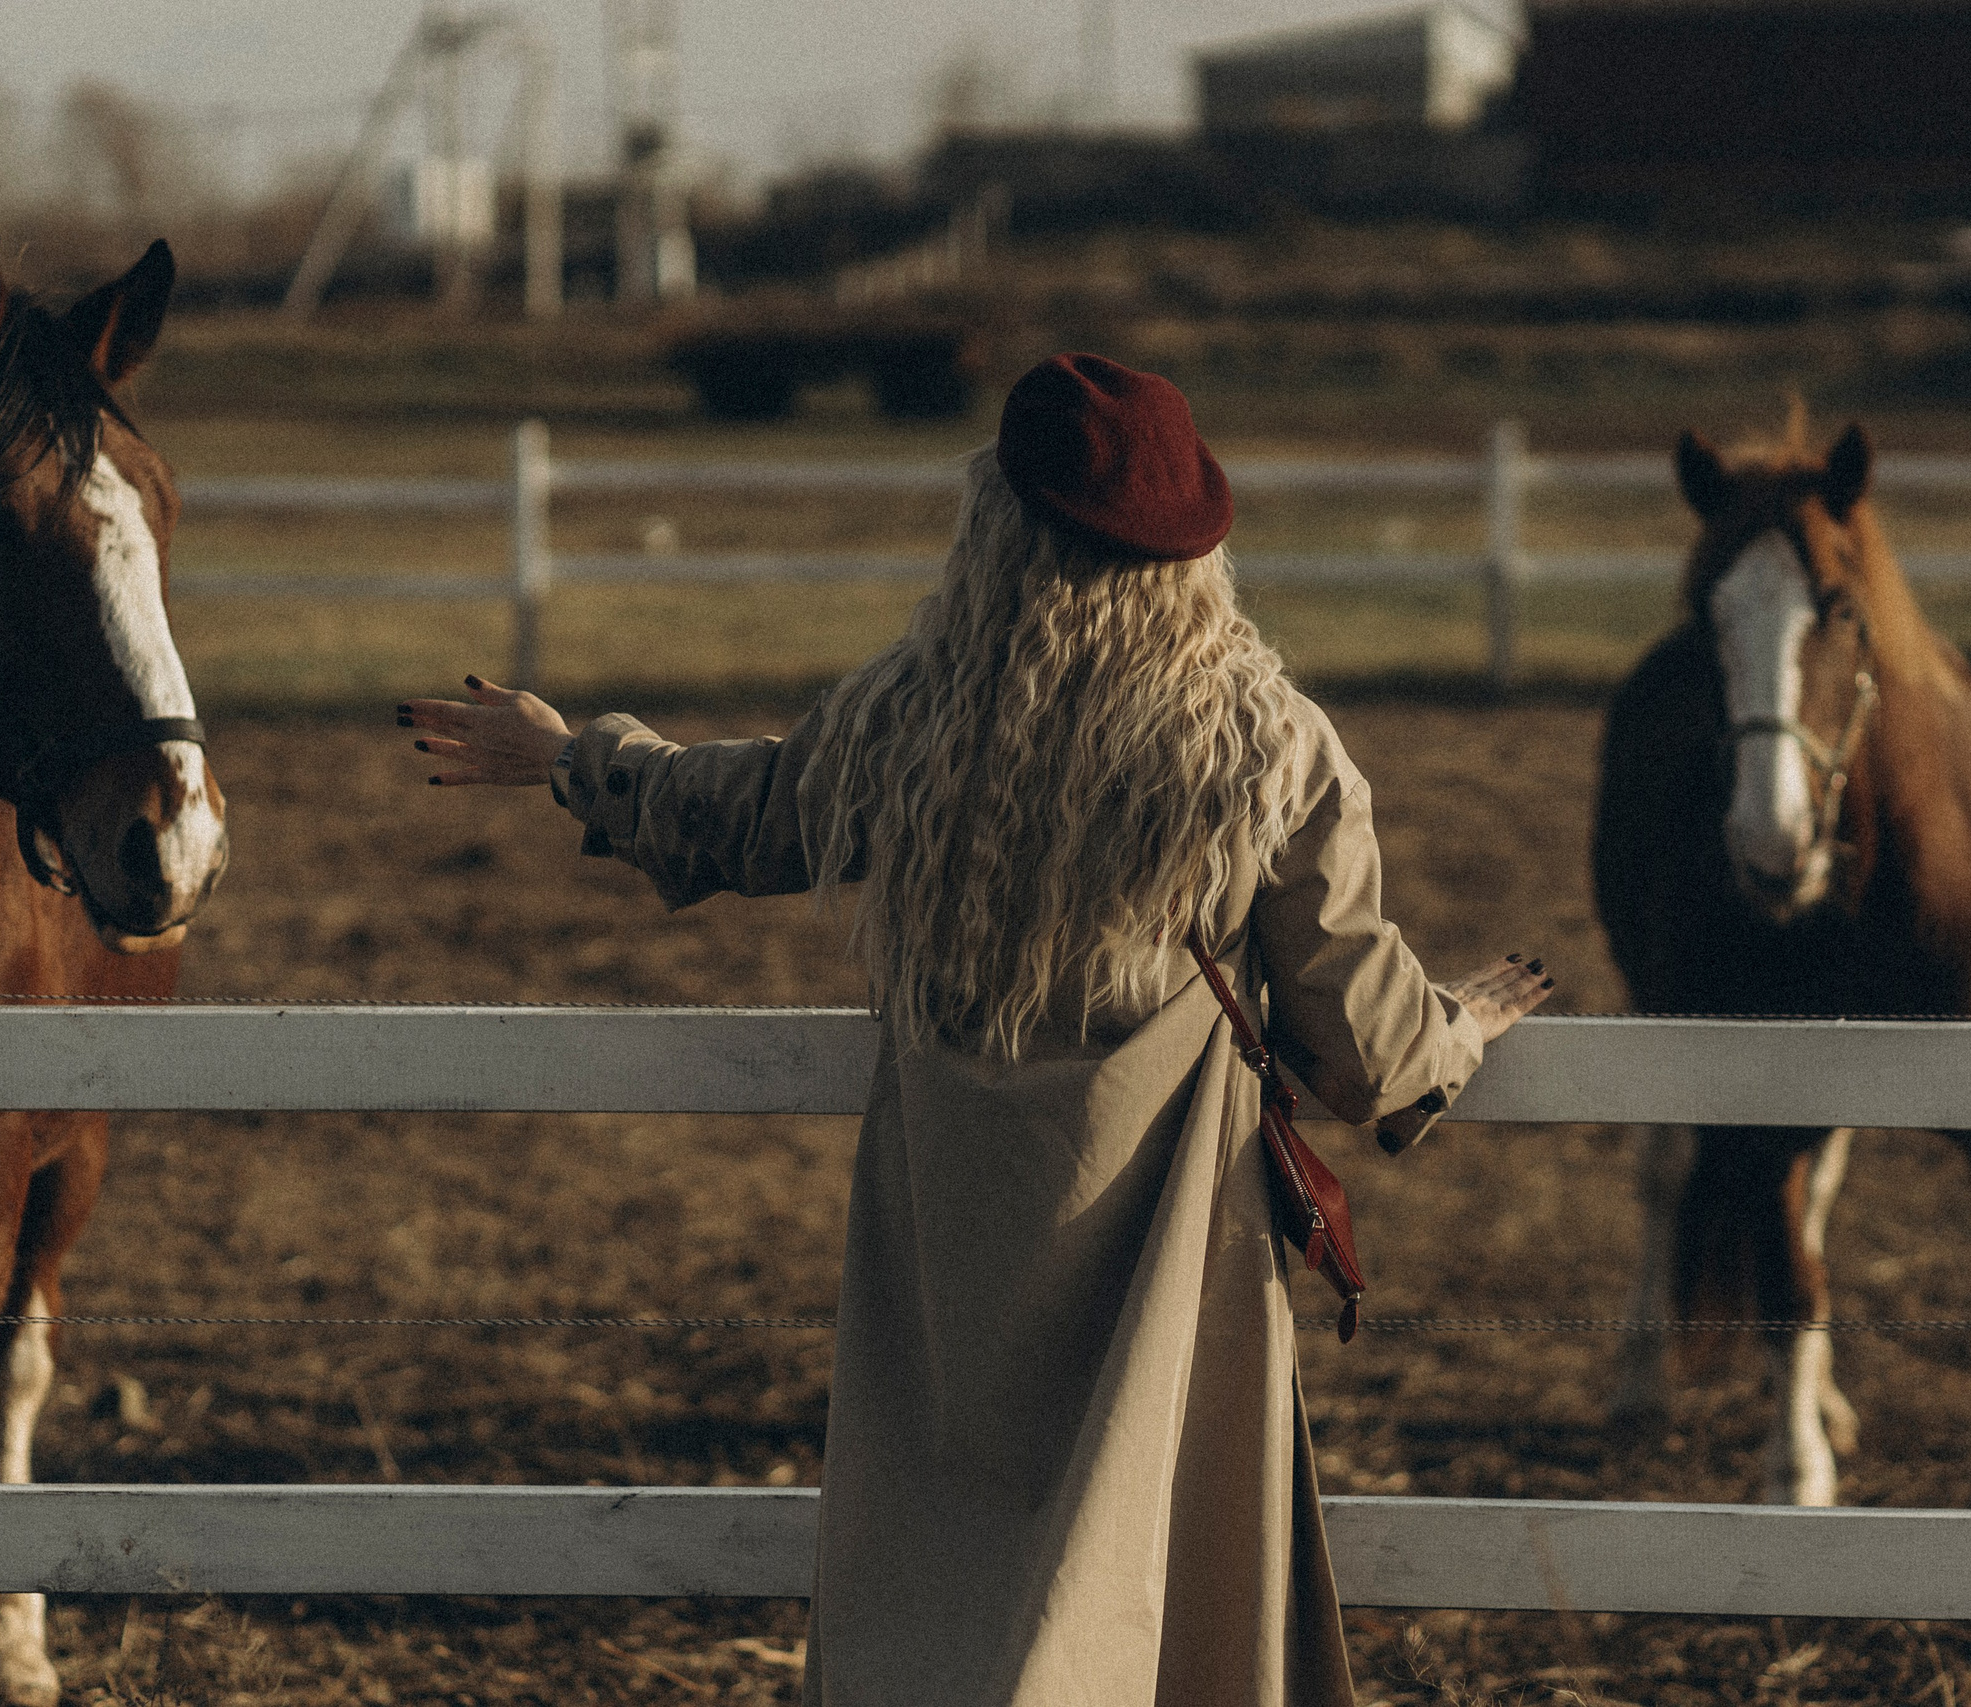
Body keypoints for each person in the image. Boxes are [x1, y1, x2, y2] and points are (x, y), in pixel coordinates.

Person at [398, 352, 1551, 1706]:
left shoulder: (915, 723)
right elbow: (1368, 1044)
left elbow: (747, 813)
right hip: (1162, 1268)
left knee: (938, 1592)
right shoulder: (1266, 750)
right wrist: (1460, 1025)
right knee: (1148, 1598)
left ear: (997, 525)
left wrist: (573, 758)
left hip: (950, 1261)